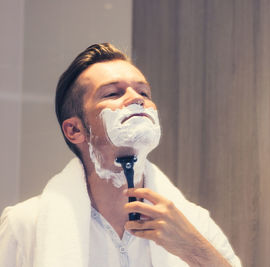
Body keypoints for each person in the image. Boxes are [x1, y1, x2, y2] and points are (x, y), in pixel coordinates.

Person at [0, 43, 241, 267]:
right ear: (75, 130)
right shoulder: (26, 226)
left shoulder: (193, 224)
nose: (137, 99)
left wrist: (194, 250)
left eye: (144, 93)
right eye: (113, 94)